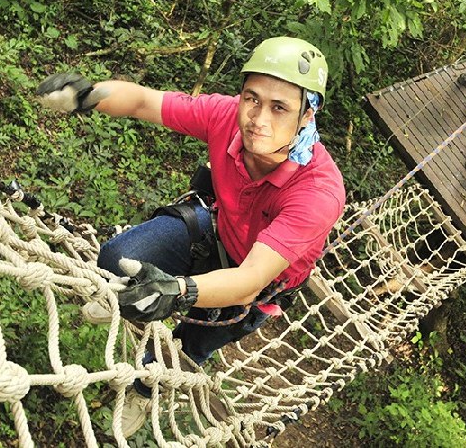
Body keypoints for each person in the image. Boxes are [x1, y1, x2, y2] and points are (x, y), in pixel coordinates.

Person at [36, 36, 346, 436]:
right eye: (251, 98)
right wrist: (88, 96)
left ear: (308, 114)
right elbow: (144, 102)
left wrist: (176, 291)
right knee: (117, 257)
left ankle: (143, 390)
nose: (258, 118)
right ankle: (127, 302)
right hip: (215, 233)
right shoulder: (226, 118)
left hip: (255, 283)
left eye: (279, 107)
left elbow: (249, 280)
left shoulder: (318, 192)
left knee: (185, 349)